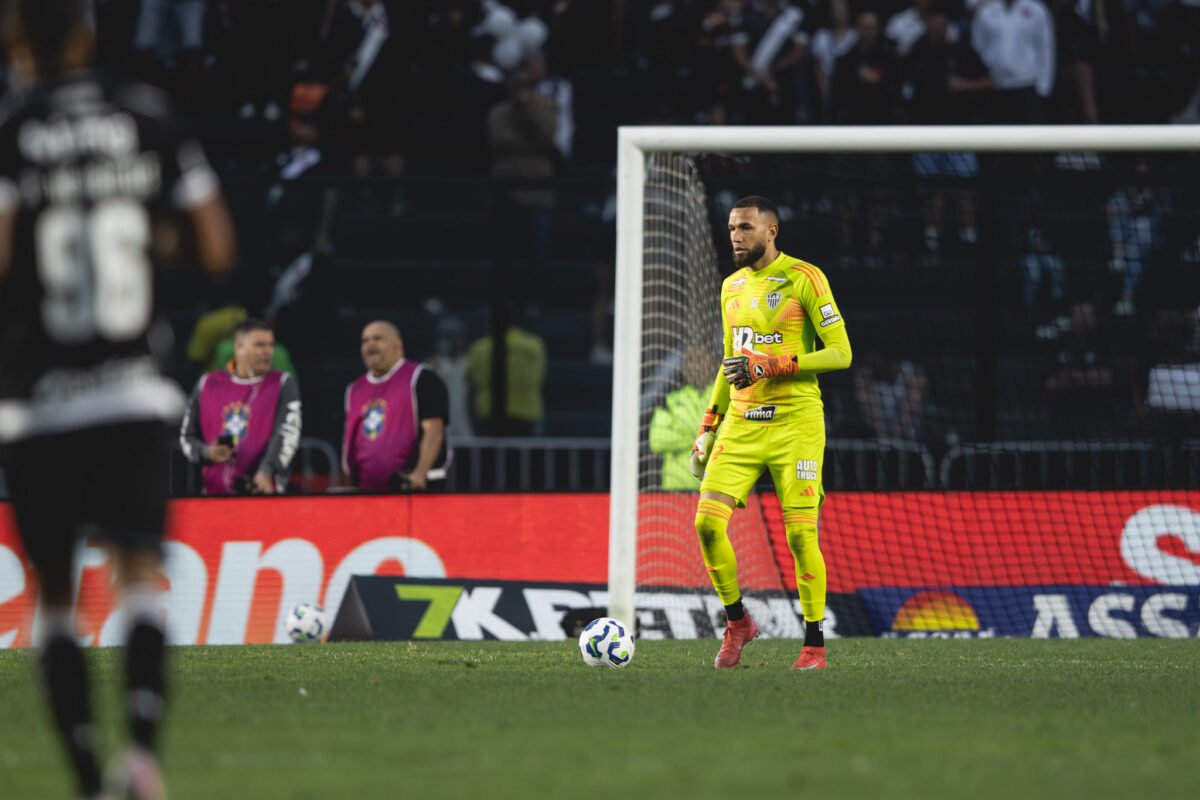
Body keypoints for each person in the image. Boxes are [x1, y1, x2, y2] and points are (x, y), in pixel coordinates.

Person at [0, 2, 235, 797]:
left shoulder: (13, 130)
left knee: (56, 597)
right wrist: (140, 231)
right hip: (133, 389)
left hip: (37, 396)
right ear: (86, 36)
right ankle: (139, 755)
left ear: (15, 43)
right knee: (138, 576)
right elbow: (215, 247)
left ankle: (84, 774)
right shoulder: (148, 115)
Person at [689, 196, 852, 671]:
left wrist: (775, 363)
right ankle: (738, 622)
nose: (736, 236)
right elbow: (731, 361)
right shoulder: (731, 287)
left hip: (795, 423)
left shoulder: (805, 278)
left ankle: (814, 646)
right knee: (706, 524)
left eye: (745, 227)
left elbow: (841, 353)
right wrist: (708, 425)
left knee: (800, 536)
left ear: (771, 231)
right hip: (742, 423)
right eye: (731, 228)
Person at [180, 318, 301, 495]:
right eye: (259, 345)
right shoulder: (207, 384)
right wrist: (207, 452)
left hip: (264, 494)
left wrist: (267, 470)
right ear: (239, 347)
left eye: (271, 345)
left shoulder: (282, 383)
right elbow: (186, 436)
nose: (268, 351)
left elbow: (288, 433)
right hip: (213, 496)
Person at [343, 321, 451, 492]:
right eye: (365, 341)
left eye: (378, 339)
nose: (370, 345)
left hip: (413, 491)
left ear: (398, 344)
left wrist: (420, 473)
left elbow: (434, 432)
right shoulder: (354, 389)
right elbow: (351, 443)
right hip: (367, 493)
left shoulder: (421, 378)